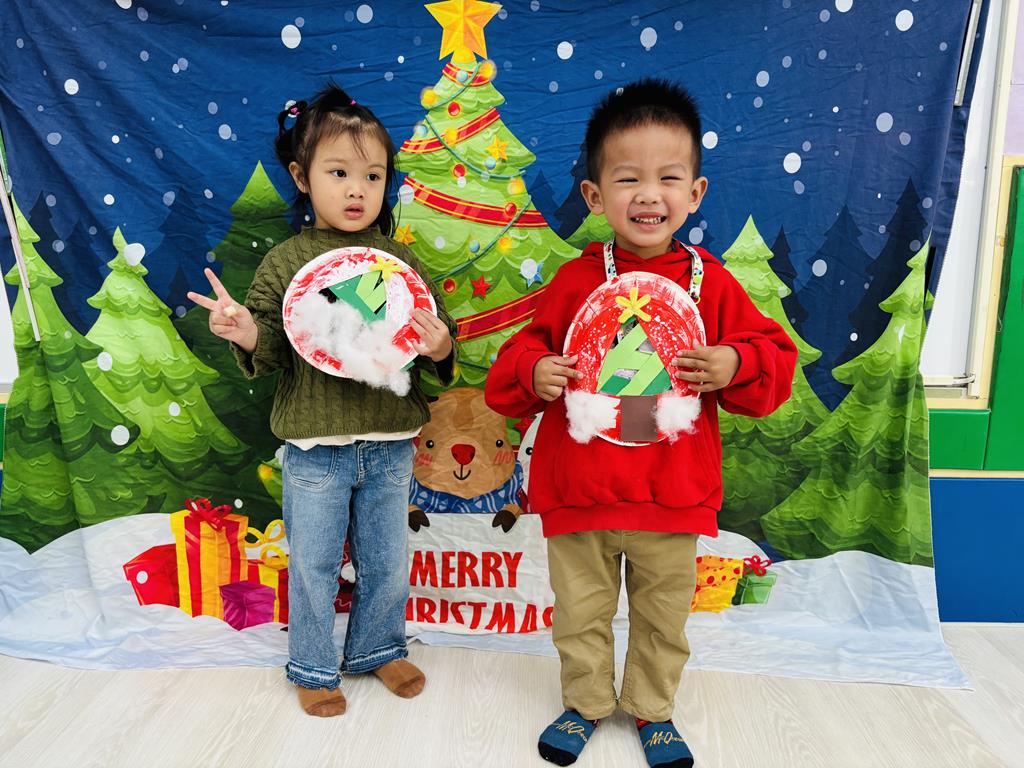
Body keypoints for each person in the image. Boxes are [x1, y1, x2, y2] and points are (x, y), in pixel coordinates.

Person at [485, 79, 798, 767]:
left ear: (696, 193)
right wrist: (536, 371)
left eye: (668, 178)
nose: (649, 195)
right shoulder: (575, 283)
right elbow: (512, 368)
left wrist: (736, 360)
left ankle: (653, 710)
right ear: (595, 195)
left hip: (671, 496)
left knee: (663, 618)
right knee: (580, 615)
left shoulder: (711, 285)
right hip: (581, 495)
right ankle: (586, 703)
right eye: (628, 178)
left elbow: (775, 364)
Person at [188, 83, 458, 718]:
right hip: (315, 449)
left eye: (373, 176)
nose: (357, 190)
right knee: (312, 566)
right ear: (301, 178)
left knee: (386, 562)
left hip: (390, 443)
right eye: (339, 173)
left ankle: (377, 648)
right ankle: (312, 665)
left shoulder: (398, 260)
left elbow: (436, 341)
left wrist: (441, 343)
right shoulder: (286, 262)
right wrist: (243, 329)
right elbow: (271, 344)